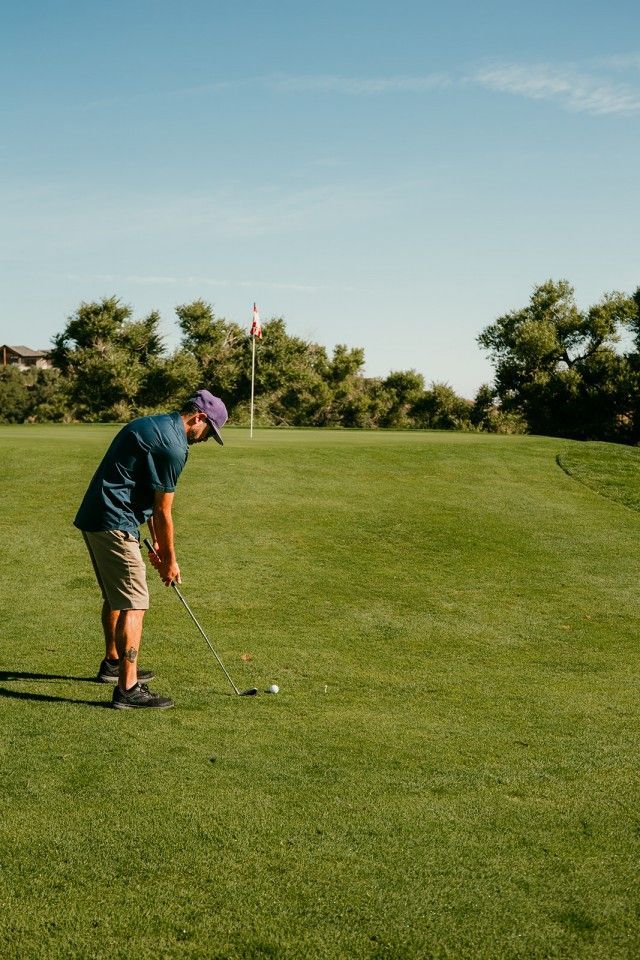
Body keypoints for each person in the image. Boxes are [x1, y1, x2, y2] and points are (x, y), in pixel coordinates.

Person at [74, 389, 228, 710]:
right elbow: (163, 510)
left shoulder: (156, 424)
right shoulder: (174, 446)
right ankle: (127, 689)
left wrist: (157, 544)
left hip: (97, 516)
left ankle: (113, 663)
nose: (206, 438)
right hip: (115, 522)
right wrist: (170, 560)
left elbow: (144, 491)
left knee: (117, 594)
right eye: (209, 431)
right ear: (198, 418)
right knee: (135, 601)